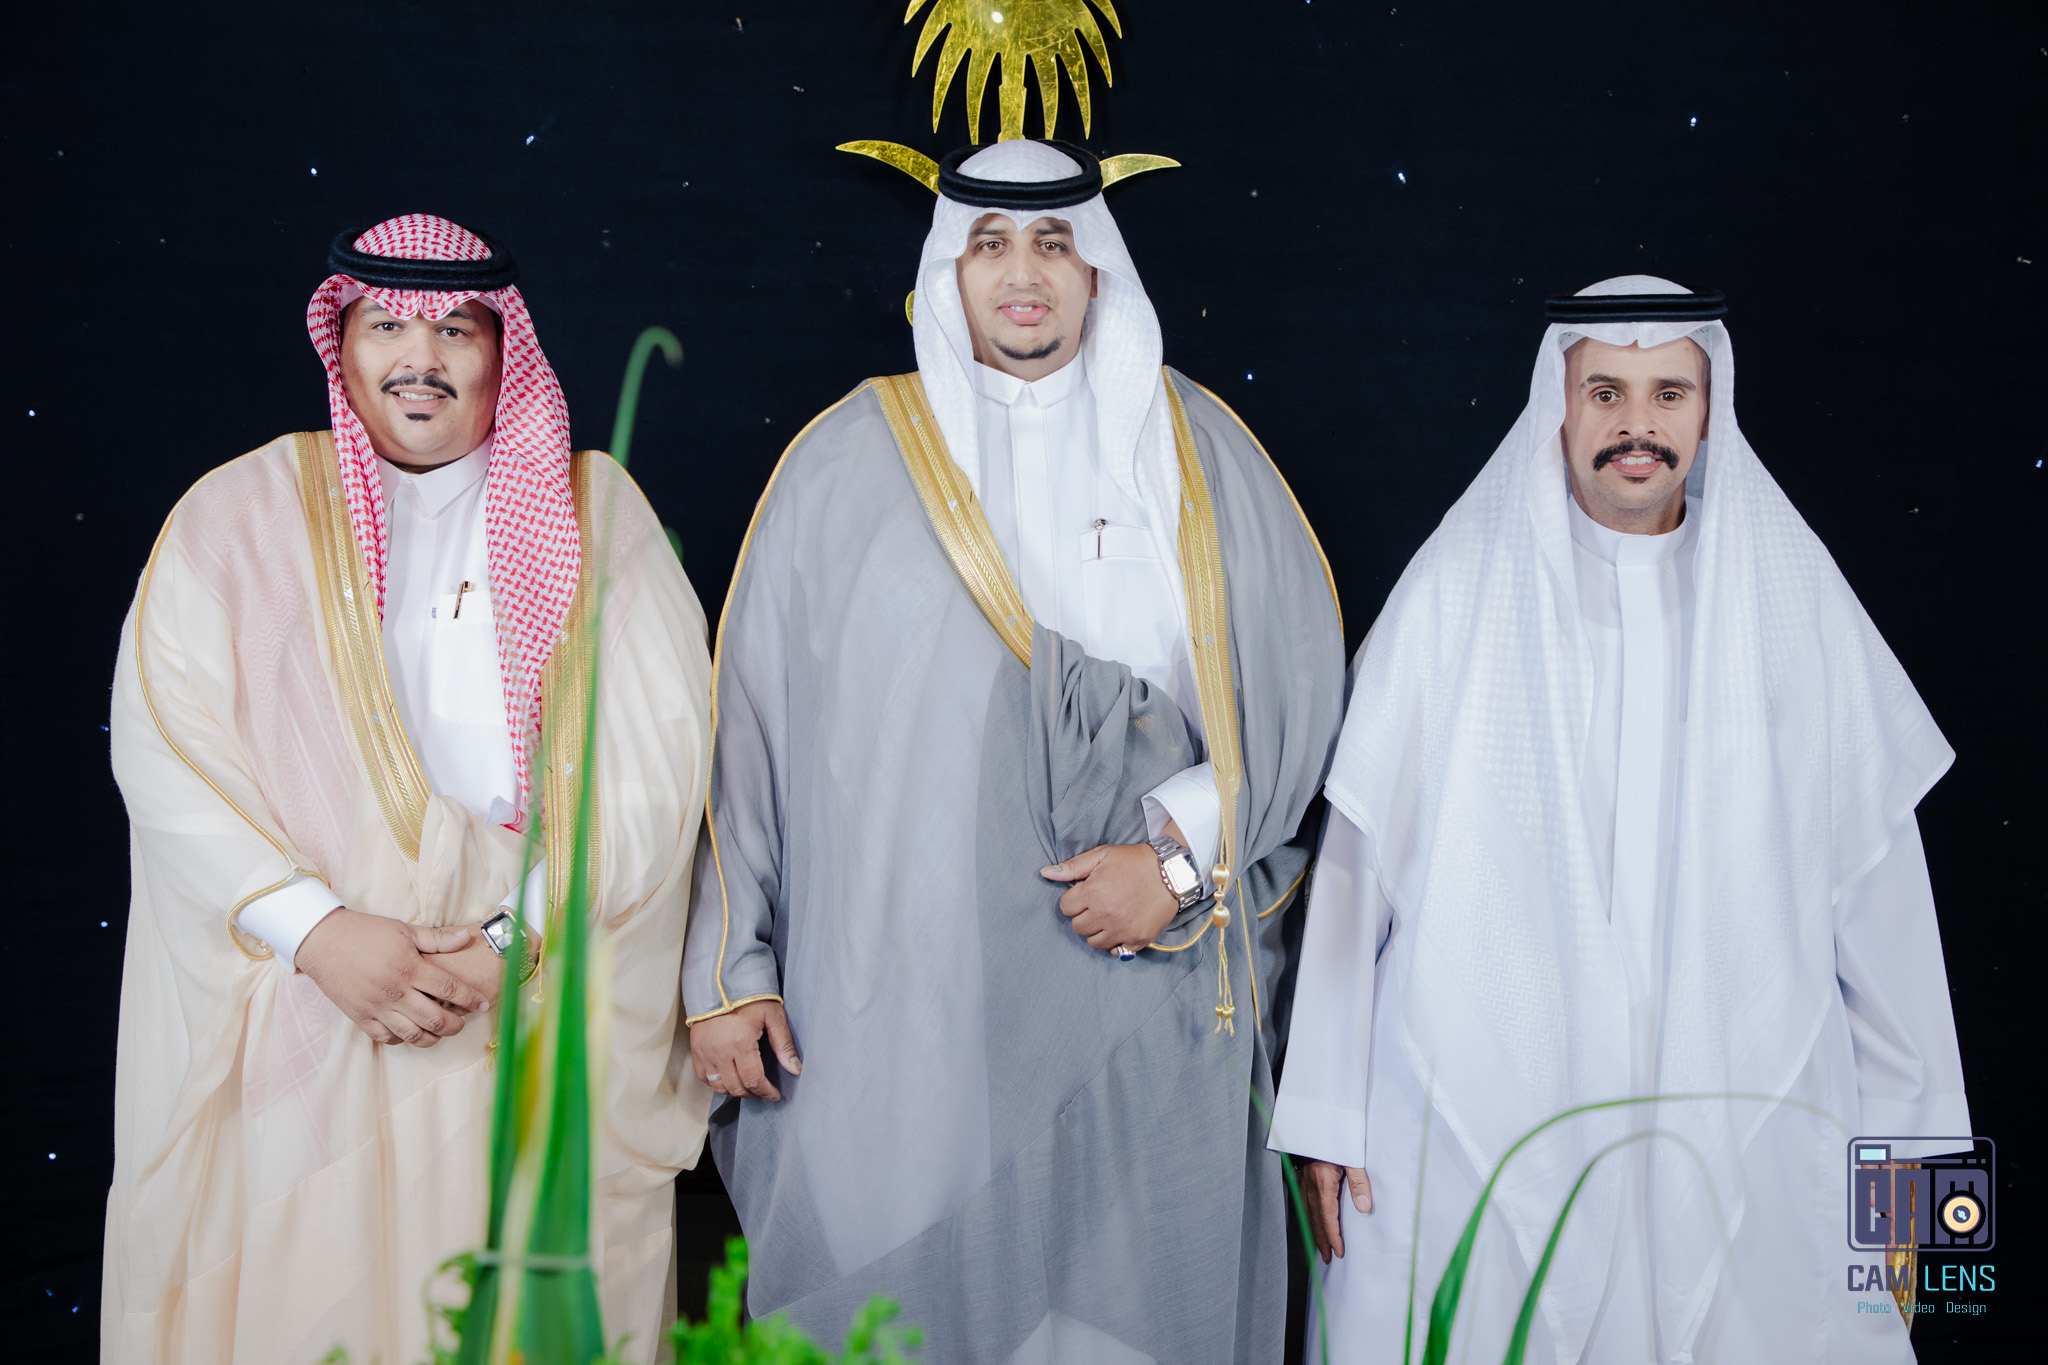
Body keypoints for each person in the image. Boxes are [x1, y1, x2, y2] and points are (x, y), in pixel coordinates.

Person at [681, 140, 1345, 1362]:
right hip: (909, 1002)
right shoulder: (844, 462)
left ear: (1098, 270)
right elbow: (749, 736)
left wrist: (1177, 864)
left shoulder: (1197, 452)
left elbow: (1291, 699)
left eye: (1052, 243)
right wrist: (731, 971)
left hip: (1139, 969)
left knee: (1121, 1321)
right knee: (919, 1317)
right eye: (988, 244)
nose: (1022, 274)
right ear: (949, 270)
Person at [1271, 277, 1969, 1363]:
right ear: (1557, 405)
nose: (1636, 423)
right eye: (1605, 392)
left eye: (1666, 394)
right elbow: (1358, 873)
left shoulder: (1794, 604)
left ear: (1708, 408)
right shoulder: (1457, 590)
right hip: (1491, 1103)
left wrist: (1921, 1198)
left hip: (1746, 1114)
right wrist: (1321, 1116)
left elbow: (1884, 915)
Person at [102, 214, 713, 1364]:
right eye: (386, 325)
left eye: (454, 329)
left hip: (524, 1009)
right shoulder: (236, 516)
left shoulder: (596, 514)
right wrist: (319, 934)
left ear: (501, 349)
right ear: (341, 342)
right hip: (313, 1006)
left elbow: (655, 772)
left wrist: (507, 942)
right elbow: (164, 747)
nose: (417, 357)